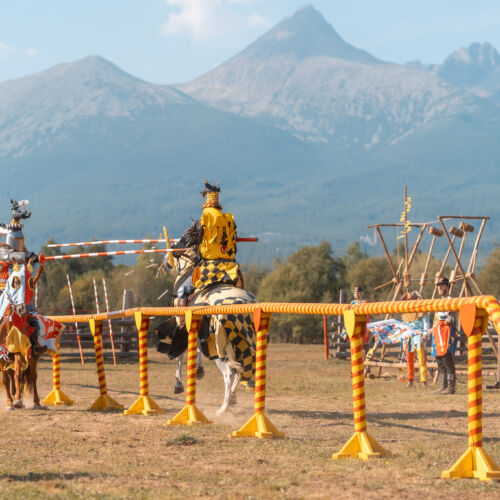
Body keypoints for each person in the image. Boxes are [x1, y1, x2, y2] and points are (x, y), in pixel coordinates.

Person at [192, 180, 242, 291]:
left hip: (209, 267)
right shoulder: (229, 219)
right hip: (231, 268)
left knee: (184, 291)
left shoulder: (205, 217)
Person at [432, 277, 458, 394]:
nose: (440, 287)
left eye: (442, 285)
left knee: (446, 357)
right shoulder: (439, 301)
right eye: (439, 285)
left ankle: (451, 387)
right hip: (437, 330)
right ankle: (443, 386)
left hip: (446, 329)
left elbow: (454, 311)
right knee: (439, 359)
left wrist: (448, 319)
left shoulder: (450, 299)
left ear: (447, 286)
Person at [401, 291, 430, 387]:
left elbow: (426, 322)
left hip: (418, 335)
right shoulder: (405, 312)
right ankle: (410, 379)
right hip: (409, 336)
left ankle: (423, 380)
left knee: (421, 359)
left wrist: (425, 333)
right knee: (409, 359)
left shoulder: (421, 309)